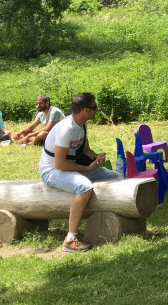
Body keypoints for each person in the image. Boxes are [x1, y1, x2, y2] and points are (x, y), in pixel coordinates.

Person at [38, 92, 119, 252]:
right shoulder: (65, 129)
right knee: (84, 187)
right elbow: (60, 164)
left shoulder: (82, 124)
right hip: (51, 171)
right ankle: (70, 239)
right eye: (94, 107)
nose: (97, 110)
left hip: (70, 167)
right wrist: (86, 169)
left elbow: (86, 149)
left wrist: (95, 157)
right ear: (85, 110)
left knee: (115, 176)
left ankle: (121, 215)